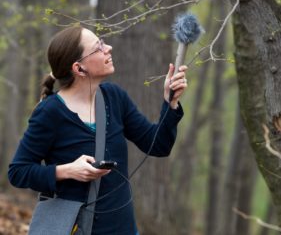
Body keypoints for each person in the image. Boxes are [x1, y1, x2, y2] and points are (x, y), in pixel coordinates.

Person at [8, 26, 187, 235]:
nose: (108, 48)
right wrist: (67, 170)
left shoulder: (115, 97)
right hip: (75, 229)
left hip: (124, 229)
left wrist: (170, 103)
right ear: (79, 68)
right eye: (98, 47)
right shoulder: (49, 112)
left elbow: (158, 145)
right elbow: (18, 172)